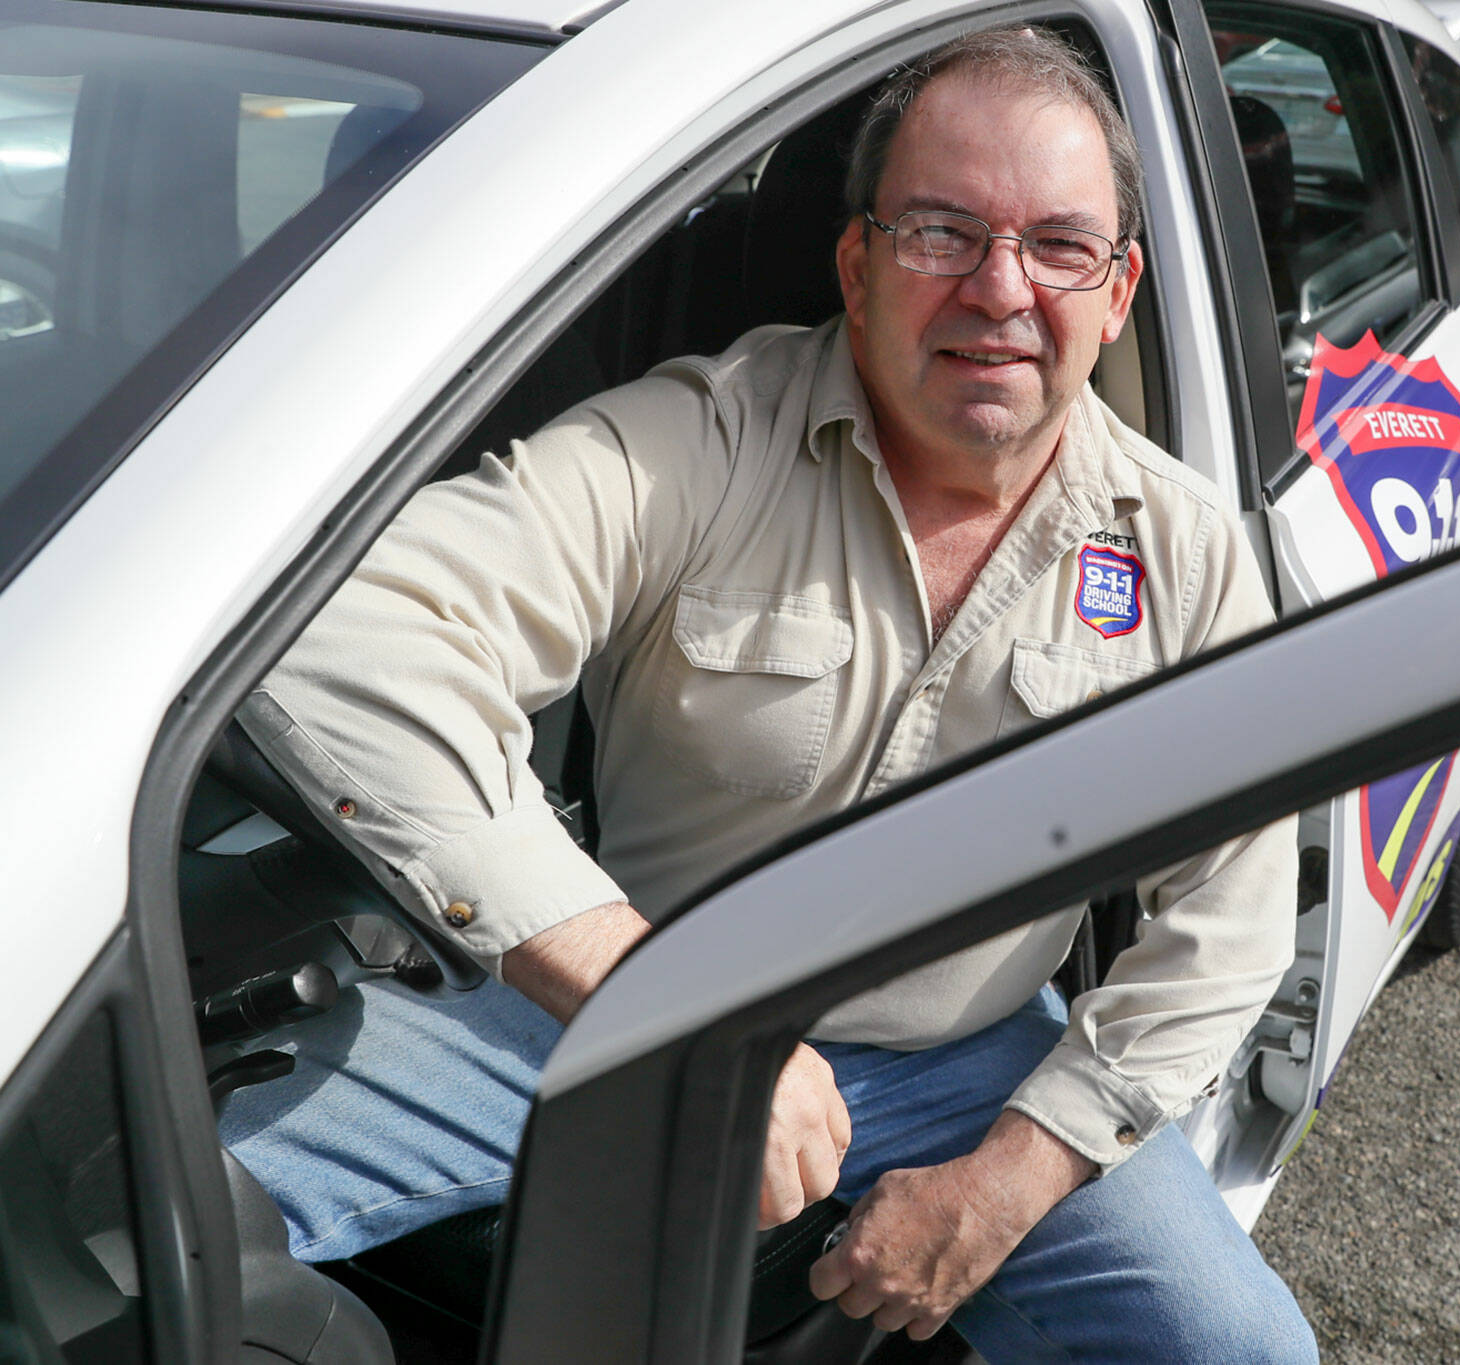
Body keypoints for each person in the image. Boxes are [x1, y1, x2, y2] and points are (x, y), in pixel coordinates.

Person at [221, 26, 1317, 1362]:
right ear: (857, 266)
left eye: (1058, 247)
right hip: (611, 1007)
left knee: (1242, 1349)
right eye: (939, 231)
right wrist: (671, 1009)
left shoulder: (1187, 555)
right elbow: (344, 635)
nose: (999, 289)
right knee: (156, 1218)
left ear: (1119, 288)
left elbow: (1235, 911)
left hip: (974, 1060)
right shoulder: (700, 441)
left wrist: (1010, 1180)